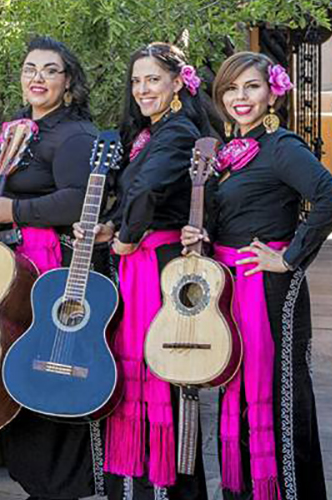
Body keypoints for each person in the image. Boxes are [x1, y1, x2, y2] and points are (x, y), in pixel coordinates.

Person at [180, 51, 332, 500]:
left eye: (251, 86)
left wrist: (289, 258)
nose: (240, 97)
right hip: (231, 288)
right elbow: (236, 213)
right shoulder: (233, 153)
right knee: (236, 388)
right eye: (231, 89)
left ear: (272, 92)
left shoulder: (282, 147)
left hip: (271, 289)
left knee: (280, 395)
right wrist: (202, 232)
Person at [86, 42, 221, 500]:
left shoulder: (178, 130)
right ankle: (144, 485)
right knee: (143, 367)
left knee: (161, 369)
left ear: (178, 83)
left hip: (158, 267)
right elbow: (135, 195)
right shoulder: (153, 131)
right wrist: (113, 227)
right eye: (137, 81)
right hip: (143, 262)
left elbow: (146, 190)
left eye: (153, 80)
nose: (142, 89)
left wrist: (127, 236)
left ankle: (170, 487)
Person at [0, 35, 107, 500]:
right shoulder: (19, 130)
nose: (37, 78)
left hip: (56, 270)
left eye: (50, 70)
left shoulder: (75, 135)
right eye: (30, 68)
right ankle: (34, 478)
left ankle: (62, 482)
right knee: (18, 365)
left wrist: (14, 211)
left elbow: (77, 200)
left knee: (52, 367)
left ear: (67, 81)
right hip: (14, 268)